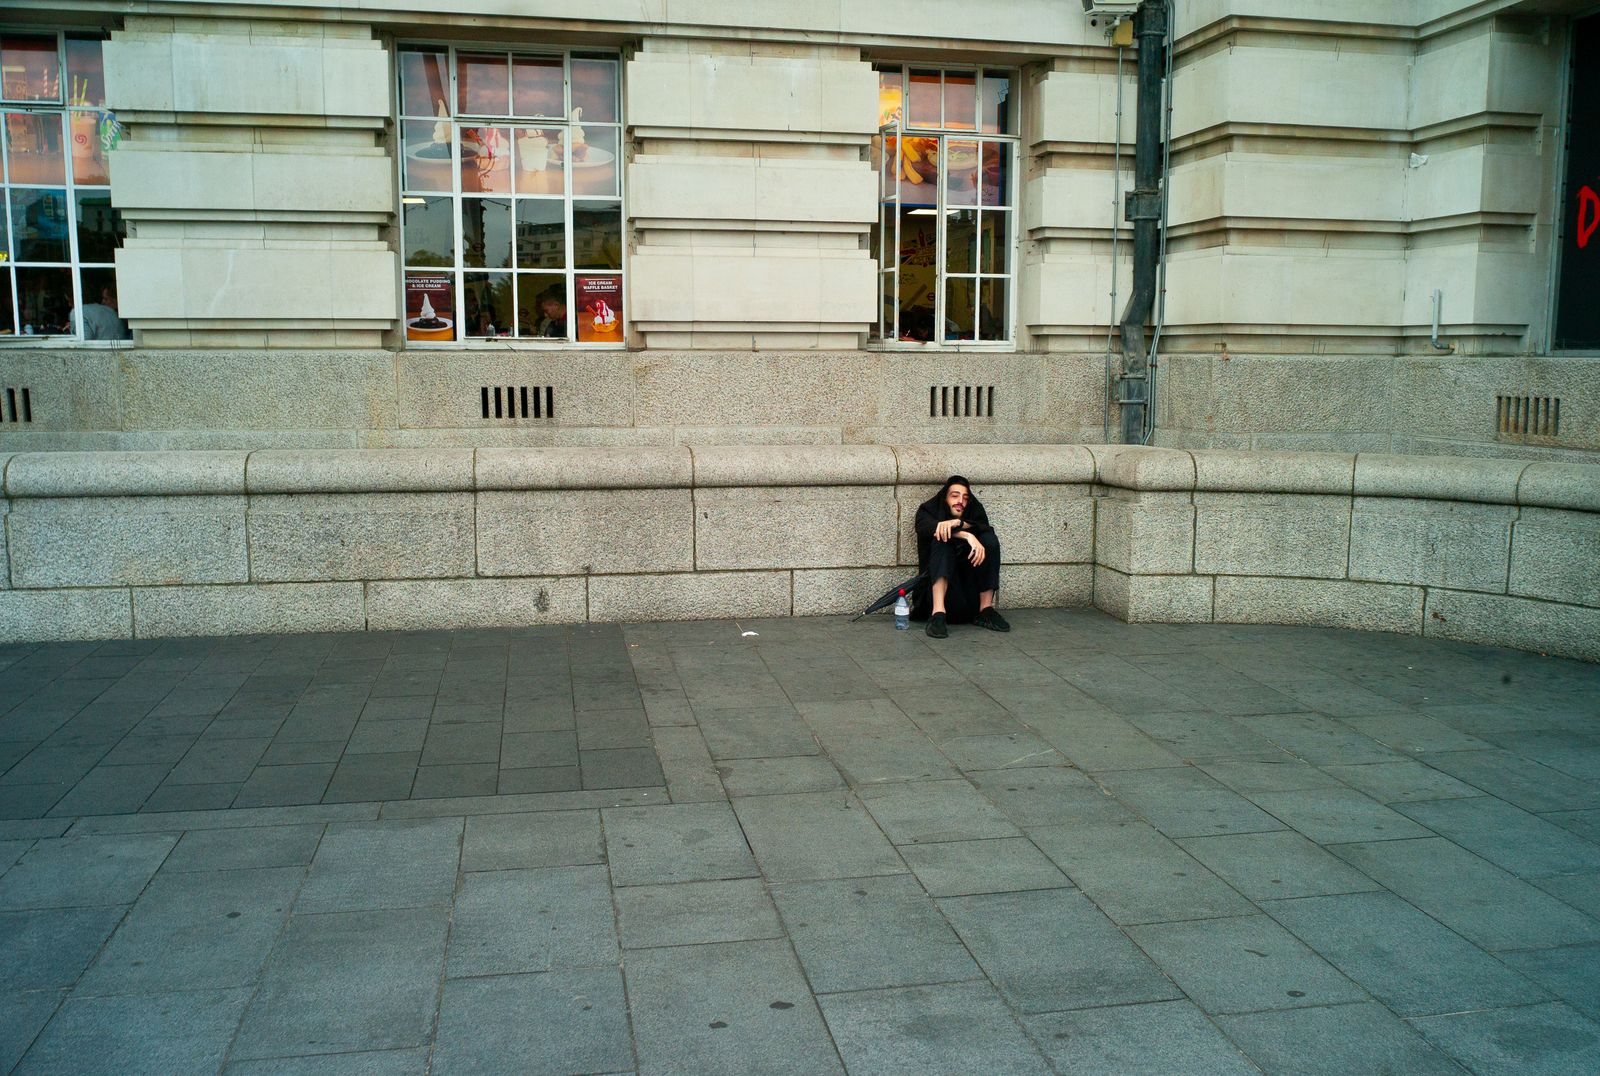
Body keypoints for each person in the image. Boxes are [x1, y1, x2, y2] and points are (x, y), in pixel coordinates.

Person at [911, 475, 1010, 638]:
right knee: (941, 540)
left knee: (989, 540)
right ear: (945, 498)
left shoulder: (974, 511)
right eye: (955, 496)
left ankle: (985, 610)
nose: (960, 501)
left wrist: (959, 524)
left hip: (969, 597)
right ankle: (937, 615)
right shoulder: (928, 511)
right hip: (941, 597)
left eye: (965, 497)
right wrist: (967, 536)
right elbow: (925, 527)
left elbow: (984, 527)